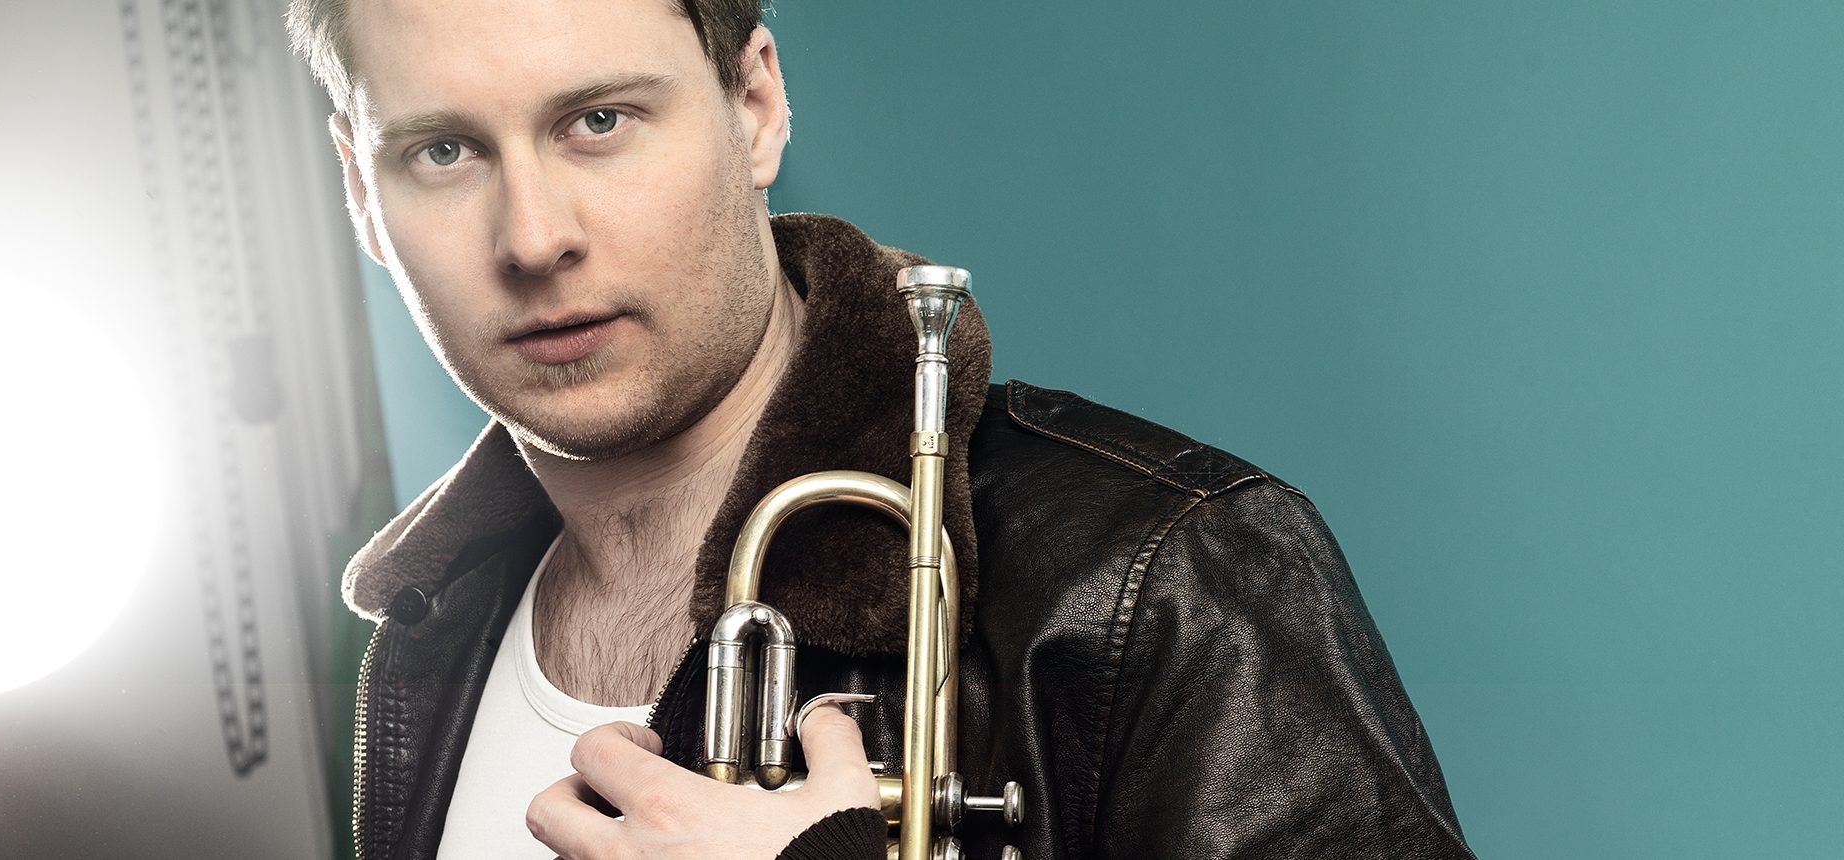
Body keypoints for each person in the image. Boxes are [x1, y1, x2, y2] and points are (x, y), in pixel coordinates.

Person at [287, 1, 1477, 858]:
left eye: (599, 120)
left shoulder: (1166, 579)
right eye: (442, 150)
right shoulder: (433, 621)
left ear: (756, 107)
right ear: (361, 193)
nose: (534, 236)